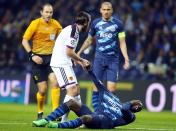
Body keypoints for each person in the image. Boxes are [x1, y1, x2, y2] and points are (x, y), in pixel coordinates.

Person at [32, 68, 143, 129]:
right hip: (96, 114)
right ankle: (45, 120)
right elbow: (98, 84)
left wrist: (132, 102)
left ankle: (57, 126)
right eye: (138, 104)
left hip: (104, 122)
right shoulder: (115, 98)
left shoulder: (131, 116)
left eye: (139, 107)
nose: (138, 106)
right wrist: (89, 70)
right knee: (71, 102)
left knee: (85, 118)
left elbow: (124, 108)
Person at [77, 1, 130, 93]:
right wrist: (79, 52)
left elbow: (122, 42)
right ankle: (98, 108)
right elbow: (89, 40)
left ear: (112, 10)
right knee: (96, 88)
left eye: (108, 10)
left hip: (113, 60)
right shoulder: (95, 23)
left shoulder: (119, 24)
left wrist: (126, 58)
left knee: (112, 89)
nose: (106, 12)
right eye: (104, 9)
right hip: (99, 59)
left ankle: (108, 107)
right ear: (100, 10)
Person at [22, 3, 62, 120]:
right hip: (38, 60)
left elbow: (63, 37)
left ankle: (56, 113)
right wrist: (32, 55)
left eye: (51, 12)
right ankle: (40, 112)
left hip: (51, 59)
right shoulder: (35, 24)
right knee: (43, 90)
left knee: (55, 83)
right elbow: (24, 40)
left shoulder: (56, 25)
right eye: (47, 12)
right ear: (41, 12)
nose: (49, 14)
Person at [49, 11, 91, 122]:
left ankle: (85, 118)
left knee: (76, 90)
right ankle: (63, 120)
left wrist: (76, 60)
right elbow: (68, 51)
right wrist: (81, 60)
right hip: (60, 63)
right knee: (72, 90)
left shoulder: (71, 28)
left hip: (64, 62)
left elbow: (67, 50)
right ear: (86, 22)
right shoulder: (74, 32)